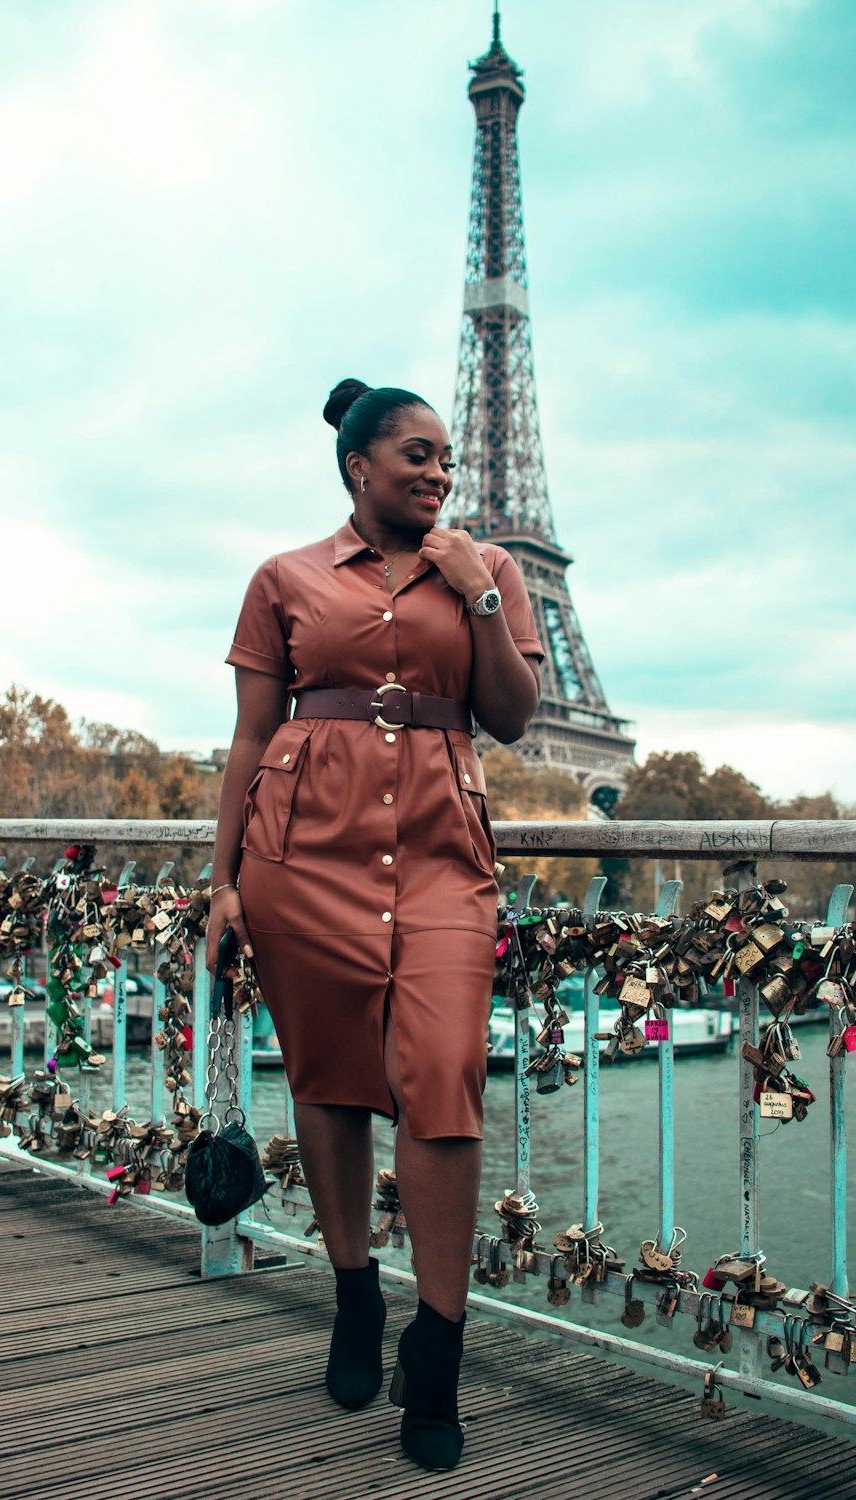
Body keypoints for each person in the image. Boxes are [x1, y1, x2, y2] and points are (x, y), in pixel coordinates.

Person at [206, 377, 541, 1472]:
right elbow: (251, 738)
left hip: (445, 862)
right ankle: (355, 1290)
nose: (439, 474)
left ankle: (435, 1347)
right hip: (301, 861)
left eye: (447, 458)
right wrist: (221, 885)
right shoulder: (284, 578)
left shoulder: (490, 569)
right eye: (417, 456)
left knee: (443, 1084)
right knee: (330, 1083)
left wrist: (477, 595)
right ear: (359, 466)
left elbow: (512, 718)